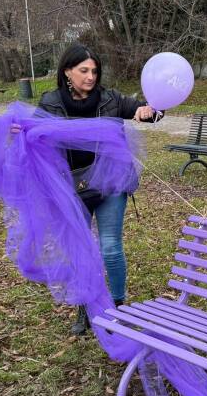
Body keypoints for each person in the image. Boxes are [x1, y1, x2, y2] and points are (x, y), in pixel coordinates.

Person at [38, 44, 164, 336]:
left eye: (94, 71)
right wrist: (19, 131)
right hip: (70, 187)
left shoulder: (110, 99)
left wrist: (150, 111)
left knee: (110, 247)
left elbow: (152, 113)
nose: (90, 76)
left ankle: (118, 308)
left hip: (110, 183)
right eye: (84, 70)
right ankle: (85, 307)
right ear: (67, 71)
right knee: (80, 250)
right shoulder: (50, 103)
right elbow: (33, 134)